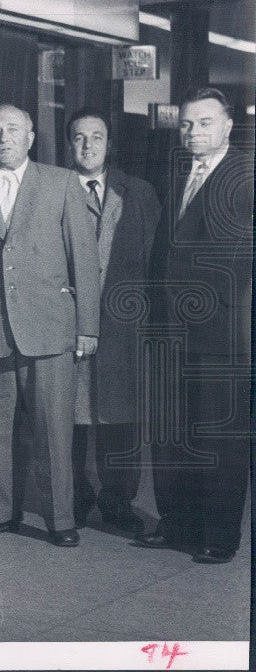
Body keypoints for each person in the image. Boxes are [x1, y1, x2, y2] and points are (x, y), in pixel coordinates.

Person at [0, 104, 100, 548]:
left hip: (50, 328)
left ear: (31, 137)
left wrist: (87, 327)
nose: (2, 137)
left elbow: (85, 260)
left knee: (53, 429)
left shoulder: (60, 183)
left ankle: (60, 518)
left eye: (12, 129)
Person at [137, 87, 253, 564]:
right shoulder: (178, 170)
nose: (193, 132)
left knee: (217, 436)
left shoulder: (245, 175)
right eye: (186, 124)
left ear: (228, 126)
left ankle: (219, 535)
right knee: (172, 429)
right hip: (169, 326)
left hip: (219, 328)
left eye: (204, 122)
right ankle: (178, 522)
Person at [66, 108, 160, 533]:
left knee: (120, 414)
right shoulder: (54, 187)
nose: (88, 146)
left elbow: (154, 259)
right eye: (80, 138)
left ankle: (118, 498)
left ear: (110, 144)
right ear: (70, 144)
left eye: (97, 137)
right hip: (67, 321)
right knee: (67, 414)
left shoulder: (138, 193)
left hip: (125, 322)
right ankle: (74, 496)